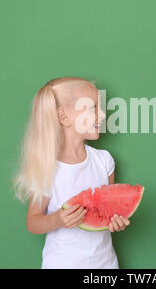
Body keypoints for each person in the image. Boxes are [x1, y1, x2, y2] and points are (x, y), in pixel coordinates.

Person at [13, 77, 130, 269]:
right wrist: (57, 219)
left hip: (106, 265)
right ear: (64, 117)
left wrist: (116, 221)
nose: (102, 115)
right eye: (92, 108)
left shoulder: (104, 161)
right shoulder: (47, 168)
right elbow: (33, 222)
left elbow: (108, 212)